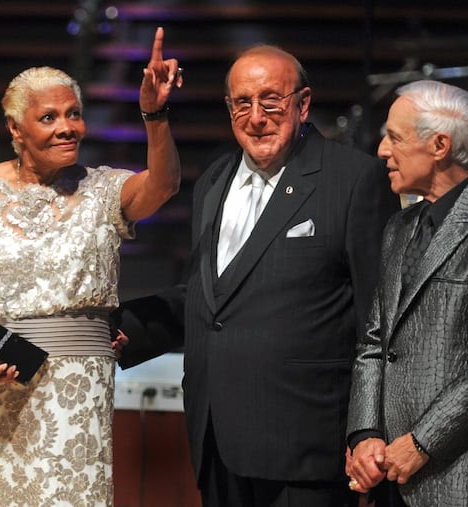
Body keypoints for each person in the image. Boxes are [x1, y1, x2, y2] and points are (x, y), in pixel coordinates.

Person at [114, 44, 402, 506]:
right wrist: (128, 328)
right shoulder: (214, 179)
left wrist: (370, 431)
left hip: (306, 447)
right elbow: (213, 296)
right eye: (242, 103)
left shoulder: (354, 180)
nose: (256, 117)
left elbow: (381, 318)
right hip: (215, 437)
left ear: (303, 104)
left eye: (271, 101)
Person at [0, 27, 181, 506]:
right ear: (17, 130)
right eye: (49, 117)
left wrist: (155, 115)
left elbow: (162, 186)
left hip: (74, 393)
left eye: (73, 114)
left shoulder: (102, 190)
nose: (67, 126)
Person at [346, 79, 468, 507]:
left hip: (455, 477)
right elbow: (374, 342)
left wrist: (422, 442)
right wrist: (364, 436)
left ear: (439, 145)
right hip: (391, 480)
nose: (381, 151)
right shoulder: (399, 226)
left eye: (394, 138)